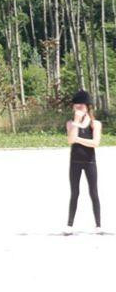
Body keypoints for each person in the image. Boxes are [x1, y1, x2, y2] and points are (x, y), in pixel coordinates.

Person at [65, 89, 101, 235]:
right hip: (75, 161)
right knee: (74, 192)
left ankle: (98, 225)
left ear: (87, 107)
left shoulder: (95, 123)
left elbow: (95, 143)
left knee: (93, 192)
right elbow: (70, 140)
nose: (79, 108)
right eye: (76, 106)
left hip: (90, 161)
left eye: (81, 106)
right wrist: (77, 121)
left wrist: (78, 140)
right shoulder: (70, 123)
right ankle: (69, 224)